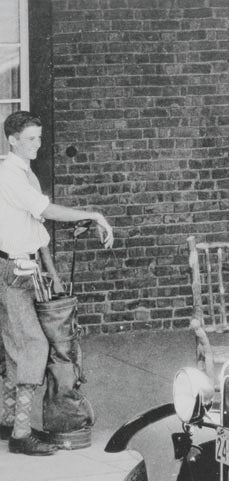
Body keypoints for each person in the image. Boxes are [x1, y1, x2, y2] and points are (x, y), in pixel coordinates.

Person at [0, 111, 114, 455]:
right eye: (30, 139)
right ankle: (20, 435)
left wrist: (52, 274)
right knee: (32, 346)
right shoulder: (9, 175)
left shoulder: (25, 173)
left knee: (16, 346)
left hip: (25, 270)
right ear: (12, 140)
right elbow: (46, 212)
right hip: (11, 271)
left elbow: (37, 233)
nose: (37, 144)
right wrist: (93, 214)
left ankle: (8, 421)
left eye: (39, 137)